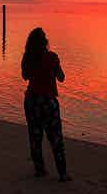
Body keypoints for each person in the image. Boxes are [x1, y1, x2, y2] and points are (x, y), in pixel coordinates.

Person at [21, 27, 71, 182]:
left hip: (32, 101)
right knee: (55, 138)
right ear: (45, 42)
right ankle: (62, 173)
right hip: (48, 102)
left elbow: (25, 76)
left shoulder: (28, 58)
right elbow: (61, 77)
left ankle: (40, 169)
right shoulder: (52, 57)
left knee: (35, 137)